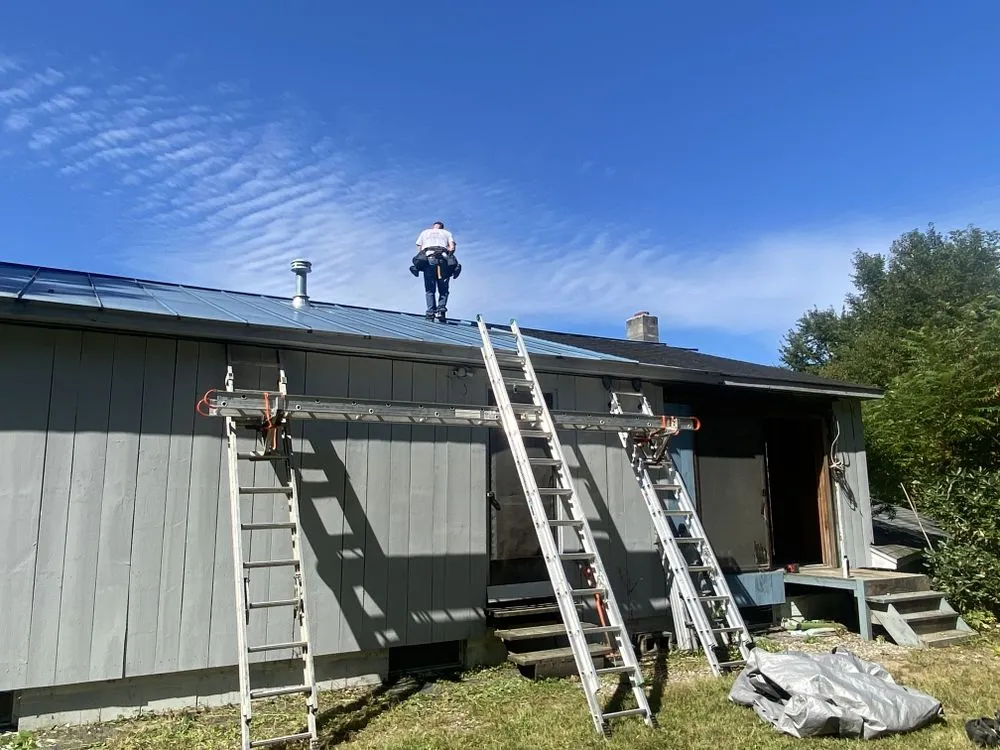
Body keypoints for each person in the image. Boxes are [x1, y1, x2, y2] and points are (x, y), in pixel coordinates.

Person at [410, 221, 462, 320]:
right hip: (443, 261)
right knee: (443, 290)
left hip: (429, 260)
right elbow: (452, 248)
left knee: (430, 289)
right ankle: (441, 311)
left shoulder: (425, 232)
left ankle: (430, 312)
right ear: (442, 228)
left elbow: (419, 247)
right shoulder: (447, 233)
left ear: (433, 226)